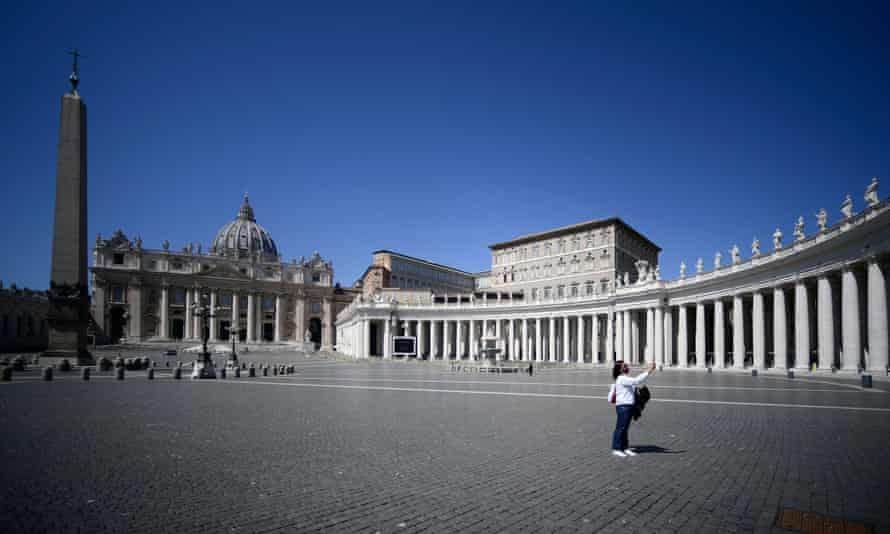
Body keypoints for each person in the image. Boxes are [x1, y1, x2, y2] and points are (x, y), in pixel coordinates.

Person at [608, 360, 656, 457]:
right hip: (623, 406)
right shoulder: (621, 379)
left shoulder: (624, 378)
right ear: (620, 369)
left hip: (628, 406)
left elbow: (633, 385)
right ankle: (616, 448)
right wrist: (649, 370)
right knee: (620, 428)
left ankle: (625, 447)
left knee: (625, 428)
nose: (627, 367)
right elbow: (636, 381)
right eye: (624, 366)